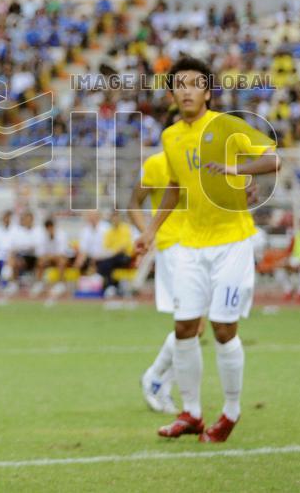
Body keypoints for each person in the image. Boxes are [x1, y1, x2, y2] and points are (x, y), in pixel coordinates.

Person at [134, 56, 279, 443]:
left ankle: (230, 412)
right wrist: (149, 230)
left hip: (232, 242)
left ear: (208, 91)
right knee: (183, 328)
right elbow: (175, 189)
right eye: (179, 84)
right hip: (191, 246)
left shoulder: (227, 125)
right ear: (171, 93)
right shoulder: (170, 137)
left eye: (194, 83)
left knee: (223, 329)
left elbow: (273, 159)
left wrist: (239, 171)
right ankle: (192, 412)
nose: (186, 90)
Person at [130, 150, 187, 415]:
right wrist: (148, 231)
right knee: (190, 324)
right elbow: (134, 202)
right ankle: (157, 380)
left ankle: (158, 381)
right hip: (173, 248)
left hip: (202, 247)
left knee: (194, 329)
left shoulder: (202, 158)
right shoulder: (156, 162)